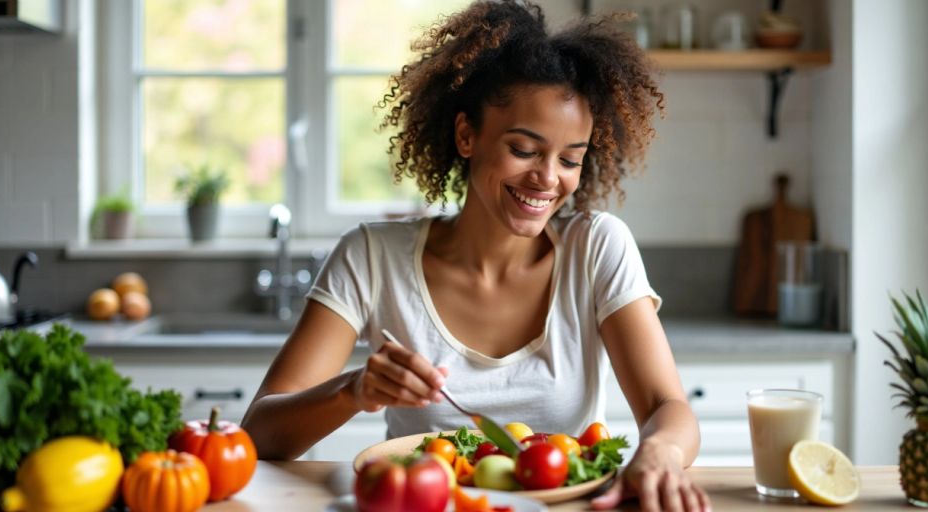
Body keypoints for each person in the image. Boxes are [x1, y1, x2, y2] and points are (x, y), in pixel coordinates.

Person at [241, 1, 709, 510]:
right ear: (467, 135)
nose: (549, 179)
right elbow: (261, 434)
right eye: (525, 150)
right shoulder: (372, 256)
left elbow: (669, 407)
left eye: (570, 158)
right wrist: (355, 390)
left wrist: (659, 450)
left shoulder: (596, 248)